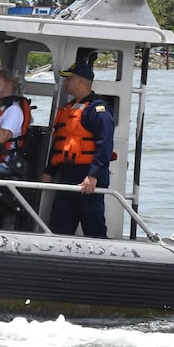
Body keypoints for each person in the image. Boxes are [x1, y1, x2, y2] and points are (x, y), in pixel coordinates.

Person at [39, 60, 115, 237]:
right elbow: (60, 143)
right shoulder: (69, 109)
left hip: (87, 177)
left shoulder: (97, 110)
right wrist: (49, 172)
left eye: (69, 79)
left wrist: (92, 175)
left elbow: (105, 145)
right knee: (59, 225)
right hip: (67, 174)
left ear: (80, 81)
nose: (66, 82)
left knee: (93, 224)